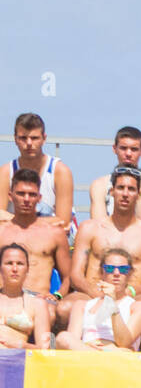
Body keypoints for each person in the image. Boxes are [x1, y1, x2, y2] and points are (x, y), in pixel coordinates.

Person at [66, 166, 141, 346]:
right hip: (93, 292)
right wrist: (94, 293)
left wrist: (129, 292)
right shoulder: (90, 228)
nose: (125, 194)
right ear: (112, 191)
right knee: (64, 308)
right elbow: (76, 274)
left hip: (132, 294)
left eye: (131, 189)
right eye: (120, 188)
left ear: (139, 194)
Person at [0, 168, 71, 316]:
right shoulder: (2, 231)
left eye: (32, 195)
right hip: (4, 298)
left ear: (39, 197)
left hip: (41, 300)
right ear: (11, 196)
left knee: (49, 313)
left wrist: (57, 296)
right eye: (21, 193)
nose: (26, 199)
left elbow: (68, 277)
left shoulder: (54, 233)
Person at [56, 245, 141, 351]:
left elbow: (124, 342)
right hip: (87, 354)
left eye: (123, 269)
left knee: (124, 350)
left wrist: (112, 304)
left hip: (118, 356)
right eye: (110, 268)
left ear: (129, 273)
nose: (116, 273)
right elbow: (72, 342)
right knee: (63, 338)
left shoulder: (138, 307)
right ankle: (98, 355)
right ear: (101, 272)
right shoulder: (82, 306)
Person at [0, 112, 74, 225]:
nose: (29, 143)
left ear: (44, 139)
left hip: (51, 236)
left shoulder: (60, 171)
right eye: (23, 138)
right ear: (15, 139)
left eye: (34, 138)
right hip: (16, 236)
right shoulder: (6, 172)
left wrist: (18, 221)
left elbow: (63, 221)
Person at [88, 127, 141, 225]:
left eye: (134, 149)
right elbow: (98, 225)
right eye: (123, 148)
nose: (128, 153)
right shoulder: (99, 185)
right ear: (115, 149)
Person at [0, 243, 52, 350]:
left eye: (20, 264)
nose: (14, 269)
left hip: (17, 360)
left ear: (27, 269)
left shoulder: (38, 304)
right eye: (9, 263)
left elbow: (47, 349)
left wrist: (22, 346)